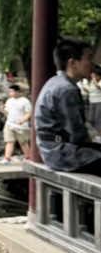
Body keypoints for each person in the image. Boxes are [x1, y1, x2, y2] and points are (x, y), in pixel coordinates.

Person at [34, 38, 101, 176]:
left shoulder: (54, 82)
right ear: (72, 63)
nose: (92, 63)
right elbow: (78, 135)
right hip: (63, 153)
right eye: (88, 58)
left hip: (51, 150)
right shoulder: (67, 90)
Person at [1, 83, 32, 162]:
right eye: (9, 91)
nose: (10, 93)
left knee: (23, 142)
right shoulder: (9, 101)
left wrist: (23, 119)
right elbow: (7, 113)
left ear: (18, 92)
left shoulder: (25, 101)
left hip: (21, 125)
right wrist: (2, 110)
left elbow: (28, 112)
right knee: (9, 141)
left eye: (12, 91)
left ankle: (28, 157)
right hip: (10, 123)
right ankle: (7, 158)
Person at [85, 70, 101, 136]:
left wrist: (94, 80)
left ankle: (99, 135)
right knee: (90, 119)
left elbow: (98, 86)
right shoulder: (91, 82)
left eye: (96, 76)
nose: (94, 77)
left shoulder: (98, 81)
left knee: (98, 120)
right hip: (91, 102)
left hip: (99, 102)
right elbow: (86, 87)